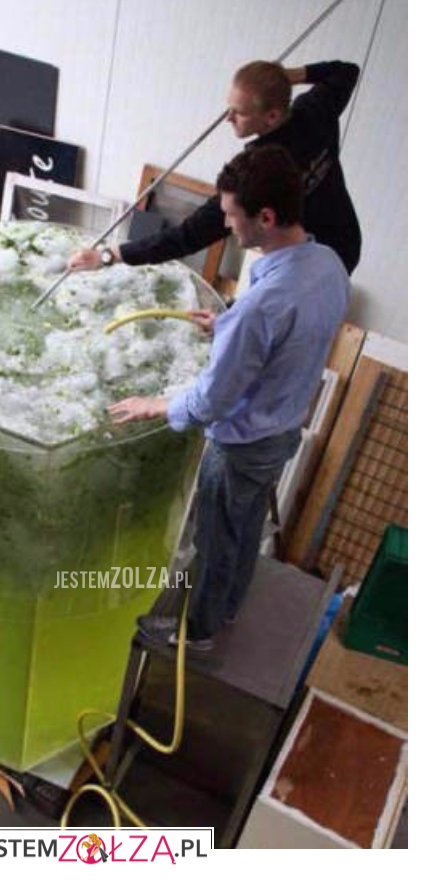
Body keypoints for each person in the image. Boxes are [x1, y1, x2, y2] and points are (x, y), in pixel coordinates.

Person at [107, 144, 350, 652]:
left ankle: (197, 632)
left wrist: (155, 404)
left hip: (241, 444)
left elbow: (210, 401)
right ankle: (229, 606)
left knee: (215, 540)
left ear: (266, 217)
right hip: (281, 430)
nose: (225, 224)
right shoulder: (327, 263)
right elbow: (287, 336)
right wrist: (229, 325)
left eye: (231, 215)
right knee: (245, 526)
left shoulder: (260, 307)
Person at [68, 60, 362, 276]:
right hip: (348, 237)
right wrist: (287, 77)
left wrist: (110, 255)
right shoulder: (316, 109)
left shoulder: (260, 172)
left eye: (239, 112)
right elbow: (346, 71)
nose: (228, 118)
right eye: (228, 108)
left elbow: (189, 235)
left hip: (316, 260)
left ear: (271, 116)